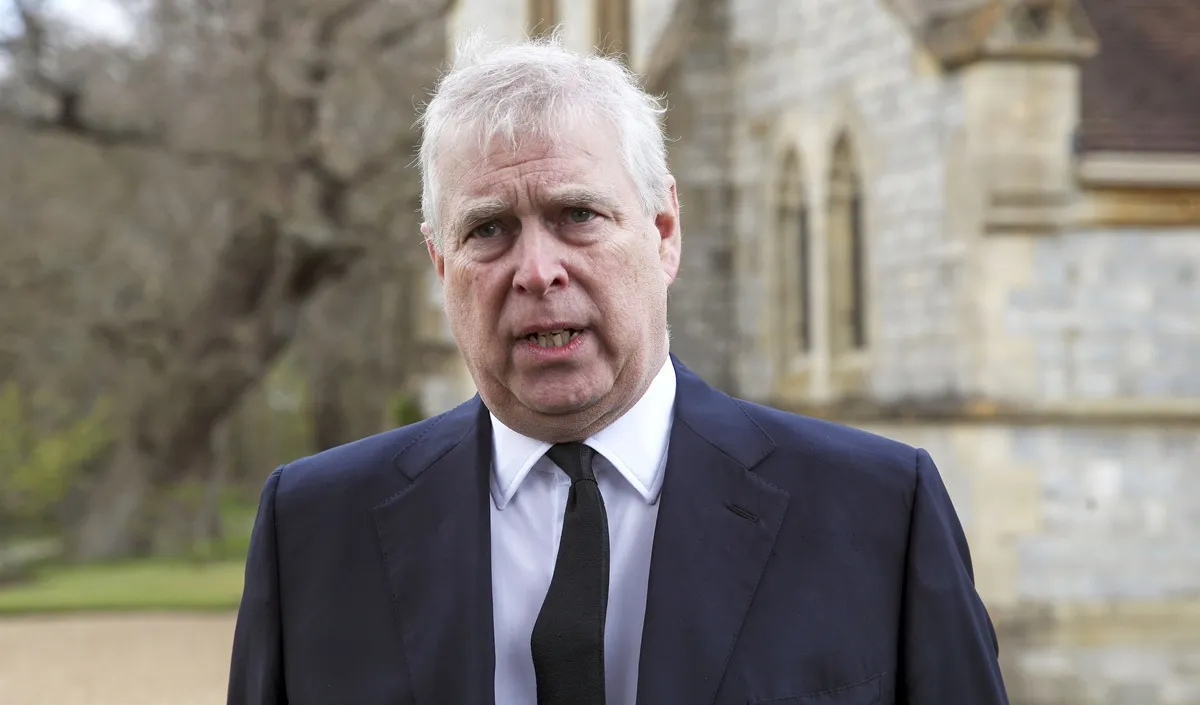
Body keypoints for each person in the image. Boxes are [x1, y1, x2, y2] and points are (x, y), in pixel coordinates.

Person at [226, 33, 1010, 705]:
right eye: (489, 229)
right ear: (441, 264)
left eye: (578, 215)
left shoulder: (876, 512)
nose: (537, 270)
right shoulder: (315, 532)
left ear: (664, 231)